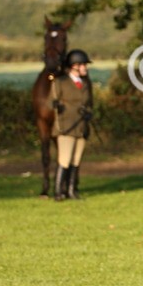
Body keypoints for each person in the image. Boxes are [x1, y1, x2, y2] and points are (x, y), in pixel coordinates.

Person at [51, 49, 94, 201]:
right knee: (64, 158)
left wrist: (88, 112)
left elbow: (89, 102)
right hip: (67, 125)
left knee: (76, 160)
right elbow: (55, 101)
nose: (85, 68)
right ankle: (58, 191)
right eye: (83, 65)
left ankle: (71, 190)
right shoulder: (61, 83)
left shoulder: (86, 84)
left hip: (81, 126)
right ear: (75, 66)